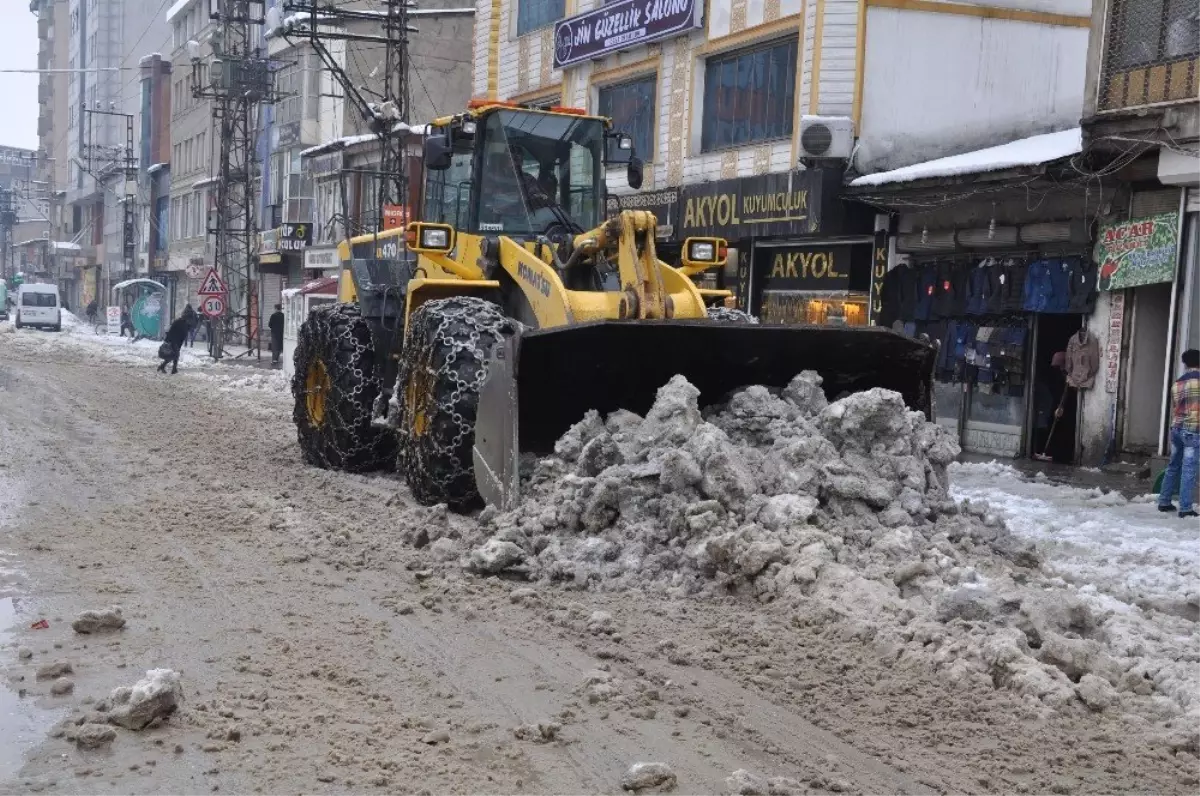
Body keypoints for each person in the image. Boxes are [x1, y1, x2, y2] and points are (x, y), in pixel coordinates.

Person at [1159, 349, 1200, 518]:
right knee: (1189, 469)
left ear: (1185, 363)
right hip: (1193, 431)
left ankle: (1164, 501)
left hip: (1176, 429)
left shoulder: (1177, 384)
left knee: (1173, 466)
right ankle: (1185, 508)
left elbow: (1175, 406)